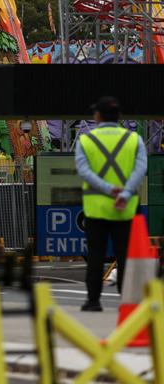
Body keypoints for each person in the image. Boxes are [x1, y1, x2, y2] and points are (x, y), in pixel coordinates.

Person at [77, 95, 145, 312]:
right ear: (120, 116)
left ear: (97, 116)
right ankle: (126, 301)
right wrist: (124, 194)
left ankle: (94, 301)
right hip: (125, 208)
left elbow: (84, 172)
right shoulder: (135, 140)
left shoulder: (86, 141)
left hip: (96, 208)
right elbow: (139, 170)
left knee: (96, 255)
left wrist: (108, 190)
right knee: (124, 255)